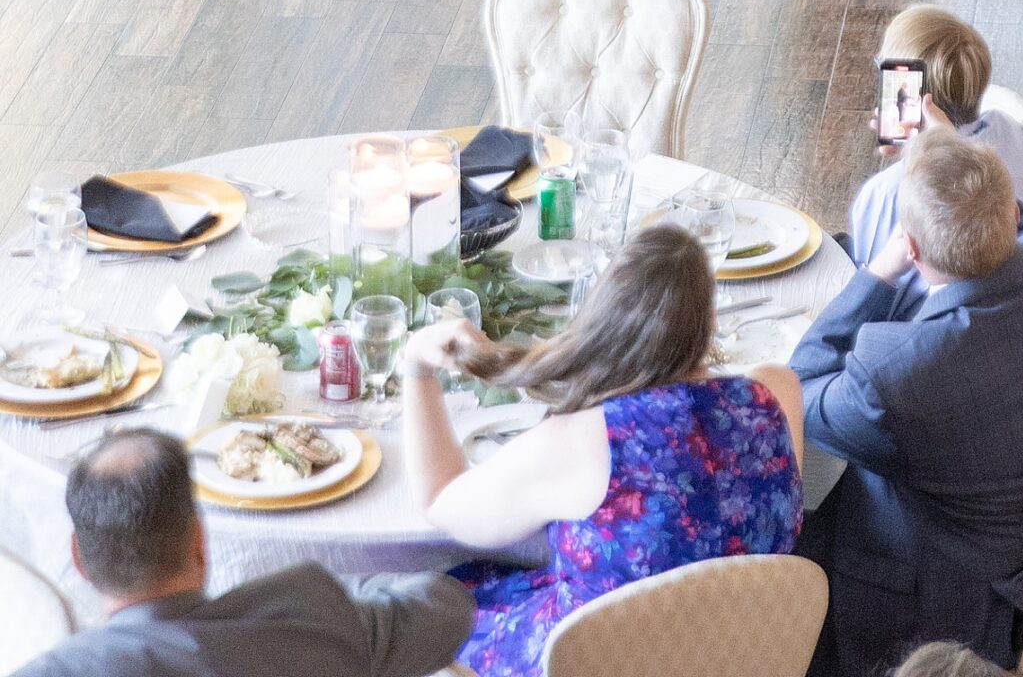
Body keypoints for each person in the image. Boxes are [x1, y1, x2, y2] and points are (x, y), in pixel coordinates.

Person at [793, 132, 1023, 677]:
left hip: (958, 612)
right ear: (1011, 209)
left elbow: (800, 385)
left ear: (915, 251)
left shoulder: (897, 376)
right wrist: (960, 172)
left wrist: (878, 272)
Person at [402, 223, 803, 676]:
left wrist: (416, 369)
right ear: (711, 322)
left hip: (593, 661)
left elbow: (440, 501)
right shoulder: (775, 398)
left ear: (600, 320)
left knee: (415, 608)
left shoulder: (583, 441)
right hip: (732, 657)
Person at [16, 427, 472, 677]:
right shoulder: (311, 616)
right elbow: (447, 608)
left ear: (78, 558)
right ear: (199, 538)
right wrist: (333, 589)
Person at [849, 5, 1023, 290]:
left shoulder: (887, 193)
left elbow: (868, 285)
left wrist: (909, 161)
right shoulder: (1014, 132)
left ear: (907, 98)